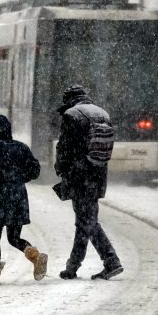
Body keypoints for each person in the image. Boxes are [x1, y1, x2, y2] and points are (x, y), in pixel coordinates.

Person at [54, 84, 123, 280]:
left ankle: (111, 261)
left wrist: (61, 170)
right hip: (98, 175)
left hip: (79, 176)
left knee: (87, 222)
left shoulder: (72, 115)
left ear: (69, 99)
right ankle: (73, 267)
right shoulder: (102, 113)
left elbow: (65, 148)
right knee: (85, 221)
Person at [0, 115, 48, 284]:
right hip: (18, 196)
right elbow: (35, 171)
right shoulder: (22, 147)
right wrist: (18, 179)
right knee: (14, 237)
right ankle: (35, 256)